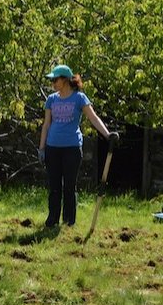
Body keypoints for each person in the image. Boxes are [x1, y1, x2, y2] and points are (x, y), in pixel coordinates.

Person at [37, 65, 118, 228]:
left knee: (69, 186)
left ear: (65, 80)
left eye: (55, 79)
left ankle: (68, 222)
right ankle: (52, 220)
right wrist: (42, 148)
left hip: (72, 148)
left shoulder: (79, 98)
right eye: (52, 80)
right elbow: (46, 125)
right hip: (53, 148)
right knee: (54, 187)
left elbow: (93, 118)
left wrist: (107, 135)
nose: (53, 83)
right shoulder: (51, 99)